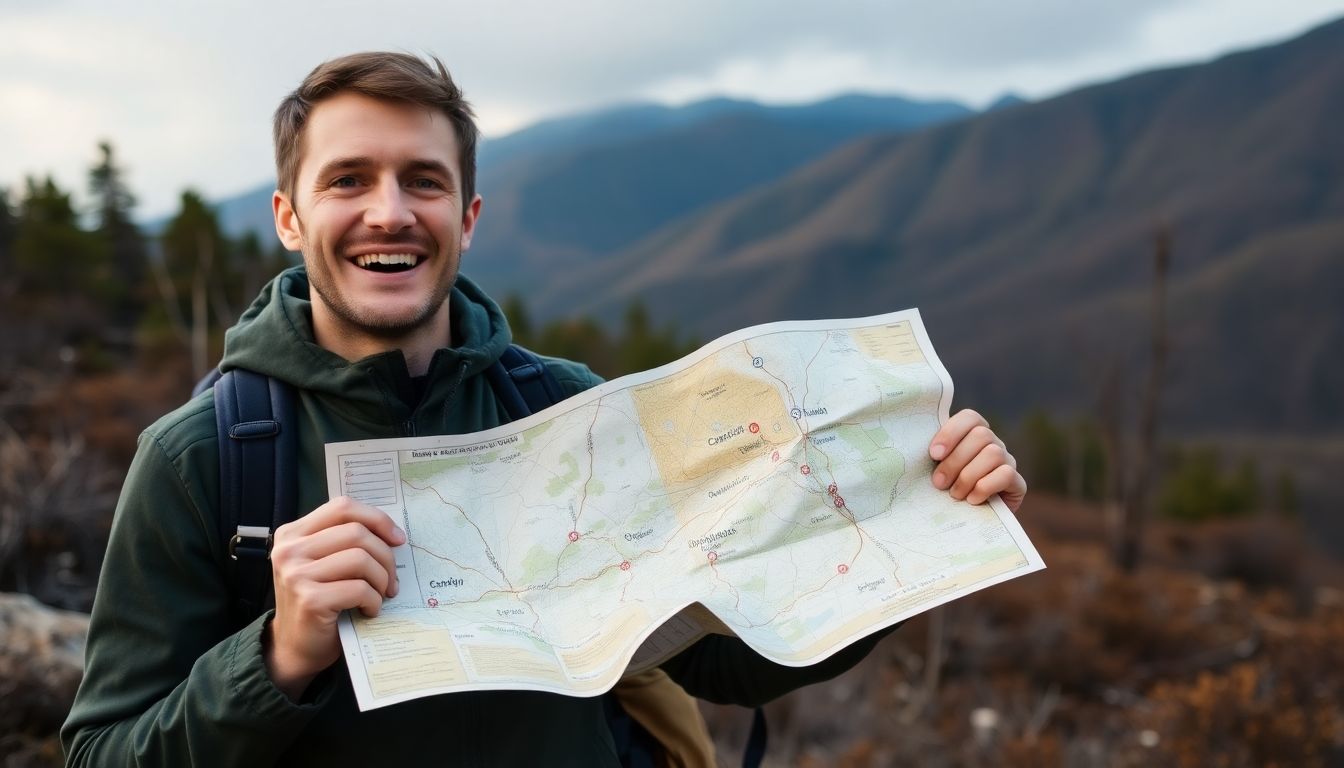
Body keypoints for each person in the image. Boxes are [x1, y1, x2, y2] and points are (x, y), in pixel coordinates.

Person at [61, 52, 1028, 766]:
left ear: (468, 220)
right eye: (348, 179)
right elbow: (101, 754)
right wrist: (276, 655)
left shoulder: (569, 410)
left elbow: (727, 667)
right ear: (288, 218)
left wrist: (915, 520)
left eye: (424, 182)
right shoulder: (203, 459)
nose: (390, 211)